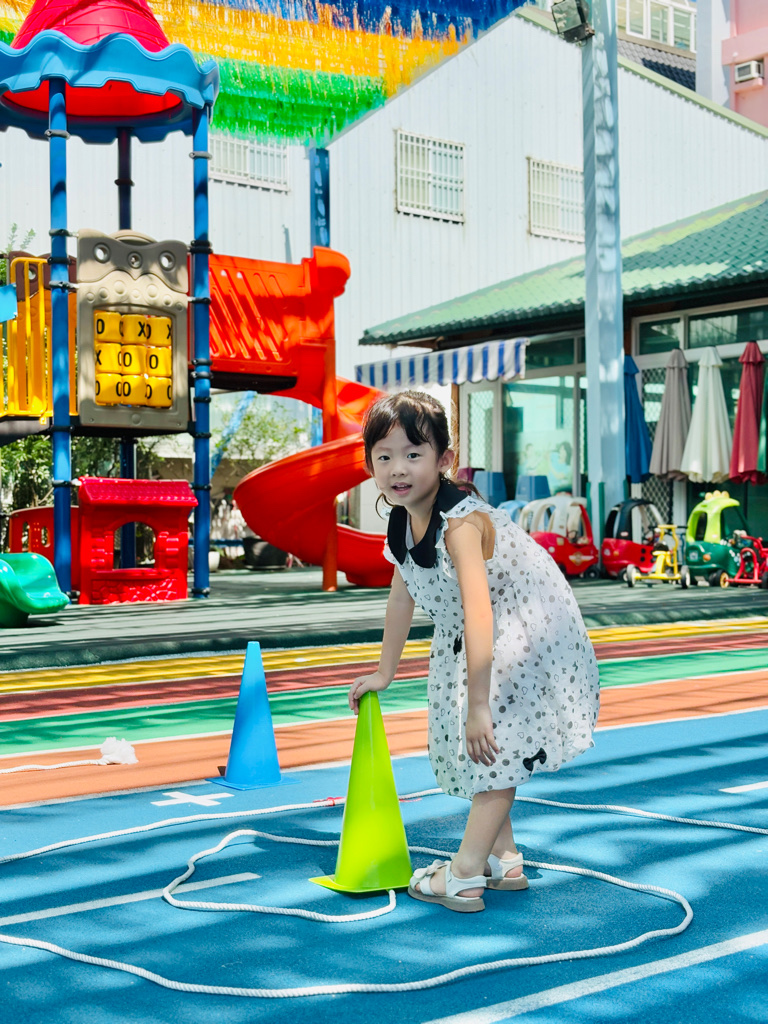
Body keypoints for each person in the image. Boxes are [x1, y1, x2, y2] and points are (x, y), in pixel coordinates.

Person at [348, 391, 599, 914]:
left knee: (494, 746)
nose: (398, 468)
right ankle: (503, 858)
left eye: (413, 454)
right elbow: (401, 597)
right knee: (477, 751)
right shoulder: (401, 520)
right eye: (384, 456)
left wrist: (480, 704)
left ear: (444, 459)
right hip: (474, 631)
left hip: (521, 631)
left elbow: (481, 611)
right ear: (369, 463)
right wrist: (384, 672)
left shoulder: (460, 524)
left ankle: (464, 874)